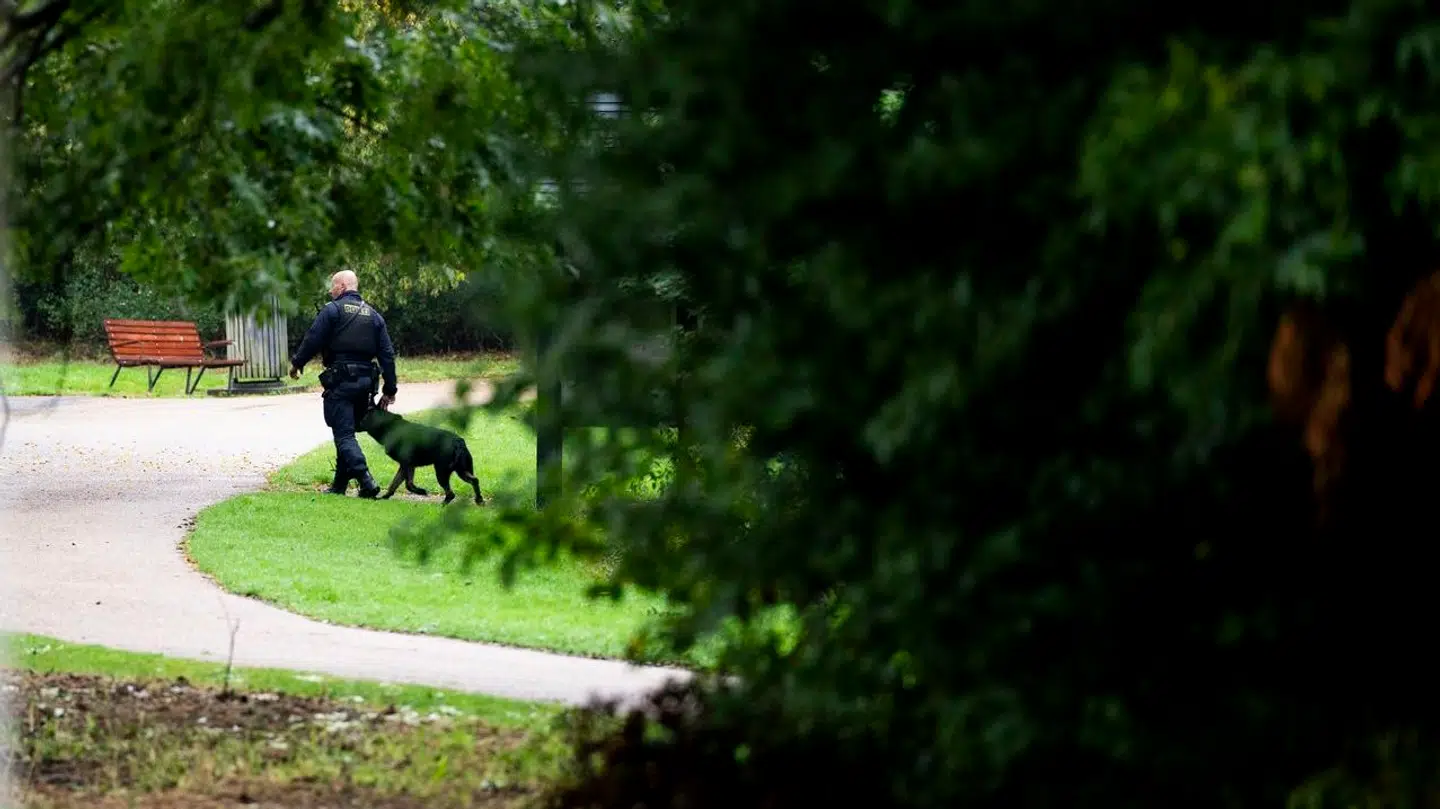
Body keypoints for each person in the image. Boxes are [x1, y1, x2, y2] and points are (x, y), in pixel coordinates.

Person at [289, 269, 399, 498]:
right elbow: (387, 355)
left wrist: (297, 363)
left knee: (344, 435)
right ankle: (339, 485)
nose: (331, 291)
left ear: (341, 287)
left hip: (340, 381)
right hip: (367, 384)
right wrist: (390, 390)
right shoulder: (374, 315)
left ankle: (366, 480)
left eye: (333, 286)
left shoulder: (333, 311)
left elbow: (313, 338)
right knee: (347, 430)